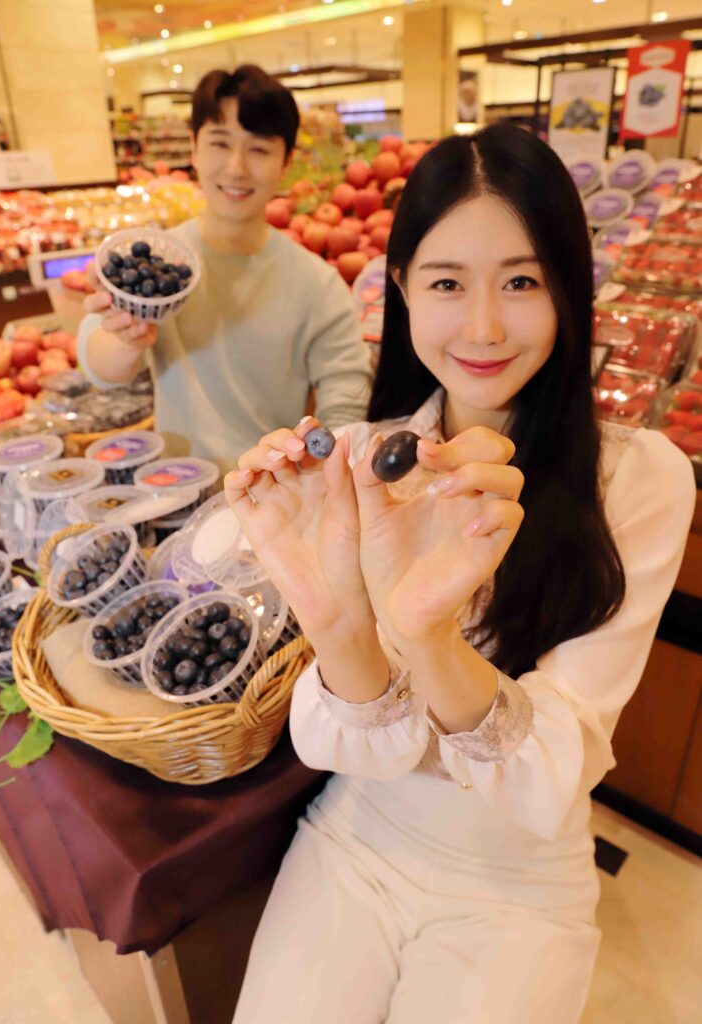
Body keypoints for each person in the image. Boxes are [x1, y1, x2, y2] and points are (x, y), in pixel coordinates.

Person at [223, 125, 696, 1023]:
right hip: (359, 838)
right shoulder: (363, 462)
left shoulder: (639, 478)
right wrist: (337, 624)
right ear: (401, 288)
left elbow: (555, 772)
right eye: (446, 283)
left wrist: (430, 636)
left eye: (521, 282)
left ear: (569, 288)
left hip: (519, 876)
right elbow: (351, 749)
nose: (482, 328)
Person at [78, 65, 372, 477]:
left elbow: (348, 398)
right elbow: (100, 369)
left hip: (269, 492)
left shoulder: (316, 284)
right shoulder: (160, 265)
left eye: (259, 149)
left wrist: (314, 470)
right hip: (176, 489)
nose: (236, 168)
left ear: (286, 162)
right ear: (194, 149)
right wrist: (127, 338)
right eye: (220, 143)